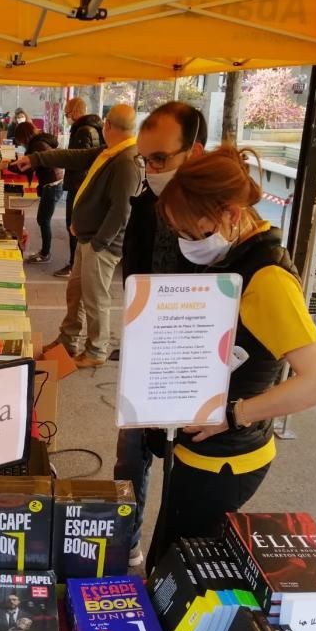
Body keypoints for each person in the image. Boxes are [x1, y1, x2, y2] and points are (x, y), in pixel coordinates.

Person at [145, 144, 316, 568]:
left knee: (182, 570)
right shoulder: (238, 254)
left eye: (193, 234)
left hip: (226, 456)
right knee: (172, 556)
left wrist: (235, 413)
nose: (187, 244)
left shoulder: (266, 278)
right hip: (202, 448)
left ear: (232, 215)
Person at [113, 102, 208, 566]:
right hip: (143, 348)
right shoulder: (148, 204)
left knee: (183, 470)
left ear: (196, 151)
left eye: (160, 159)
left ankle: (172, 559)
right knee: (131, 459)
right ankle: (128, 541)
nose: (150, 170)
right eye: (144, 160)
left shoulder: (218, 213)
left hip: (196, 360)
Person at [15, 104, 140, 368]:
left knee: (95, 298)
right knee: (76, 293)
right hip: (90, 240)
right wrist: (37, 159)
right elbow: (74, 157)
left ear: (108, 126)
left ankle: (96, 350)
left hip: (99, 243)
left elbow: (122, 210)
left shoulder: (125, 160)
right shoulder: (111, 152)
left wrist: (99, 243)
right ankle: (68, 341)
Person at [50, 97, 104, 278]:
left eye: (66, 114)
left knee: (73, 226)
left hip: (79, 187)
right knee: (79, 227)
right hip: (87, 185)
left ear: (74, 112)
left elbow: (78, 160)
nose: (67, 118)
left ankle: (74, 265)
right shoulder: (96, 129)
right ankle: (77, 264)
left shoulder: (82, 131)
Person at [8, 121, 62, 264]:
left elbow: (26, 167)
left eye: (20, 140)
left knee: (43, 220)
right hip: (54, 182)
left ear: (24, 136)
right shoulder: (40, 141)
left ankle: (45, 253)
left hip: (52, 184)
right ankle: (45, 252)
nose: (20, 143)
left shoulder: (36, 145)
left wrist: (7, 165)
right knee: (43, 219)